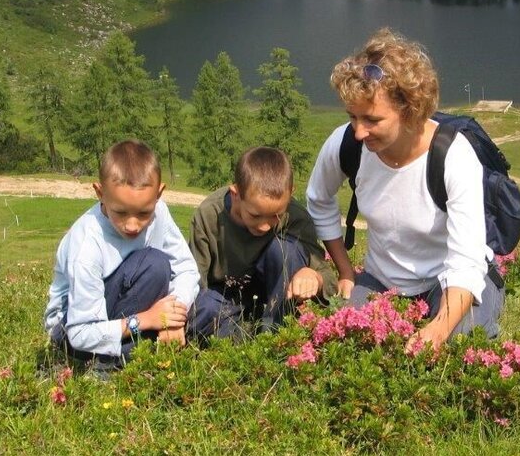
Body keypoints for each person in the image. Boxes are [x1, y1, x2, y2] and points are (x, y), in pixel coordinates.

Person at [306, 28, 504, 351]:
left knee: (458, 339)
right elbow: (318, 198)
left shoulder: (452, 155)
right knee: (344, 337)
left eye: (372, 119)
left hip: (449, 281)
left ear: (409, 109)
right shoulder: (345, 144)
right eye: (352, 117)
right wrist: (345, 270)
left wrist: (438, 330)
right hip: (381, 282)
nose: (358, 132)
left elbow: (466, 262)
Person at [43, 139, 200, 369]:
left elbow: (186, 269)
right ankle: (112, 362)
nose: (132, 225)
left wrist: (172, 318)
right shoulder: (87, 244)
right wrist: (148, 320)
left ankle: (135, 350)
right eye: (121, 212)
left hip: (127, 309)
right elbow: (79, 332)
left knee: (200, 299)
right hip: (72, 328)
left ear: (159, 194)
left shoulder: (160, 213)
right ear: (100, 193)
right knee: (155, 264)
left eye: (144, 212)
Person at [189, 146, 337, 340]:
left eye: (276, 216)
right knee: (203, 307)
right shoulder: (209, 214)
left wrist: (313, 277)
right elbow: (194, 282)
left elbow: (330, 281)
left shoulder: (296, 218)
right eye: (255, 215)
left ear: (290, 194)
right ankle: (234, 338)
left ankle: (273, 337)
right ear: (236, 194)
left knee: (286, 250)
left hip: (275, 300)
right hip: (223, 298)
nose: (265, 226)